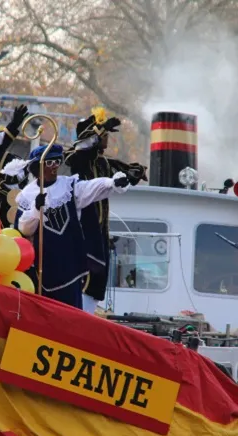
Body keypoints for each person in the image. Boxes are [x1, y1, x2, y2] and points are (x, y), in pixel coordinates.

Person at [15, 144, 131, 310]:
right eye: (49, 163)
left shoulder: (69, 186)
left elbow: (91, 187)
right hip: (42, 267)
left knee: (70, 313)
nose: (55, 166)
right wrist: (35, 209)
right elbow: (24, 230)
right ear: (37, 167)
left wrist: (111, 182)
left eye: (57, 161)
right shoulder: (27, 195)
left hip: (69, 265)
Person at [65, 107, 147, 313]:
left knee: (98, 275)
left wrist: (132, 174)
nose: (108, 138)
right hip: (82, 227)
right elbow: (79, 152)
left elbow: (120, 177)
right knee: (84, 272)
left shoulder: (103, 162)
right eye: (105, 135)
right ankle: (77, 312)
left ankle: (87, 314)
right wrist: (97, 132)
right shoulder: (75, 159)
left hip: (100, 228)